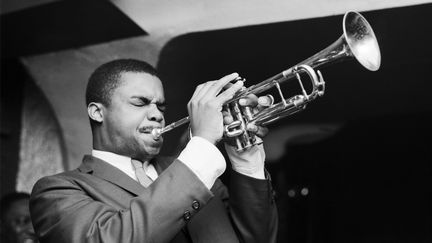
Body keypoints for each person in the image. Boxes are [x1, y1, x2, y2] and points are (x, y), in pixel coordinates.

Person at [29, 59, 278, 242]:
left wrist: (247, 161)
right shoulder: (58, 190)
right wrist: (201, 144)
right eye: (140, 102)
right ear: (97, 112)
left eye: (160, 106)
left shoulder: (198, 171)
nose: (157, 115)